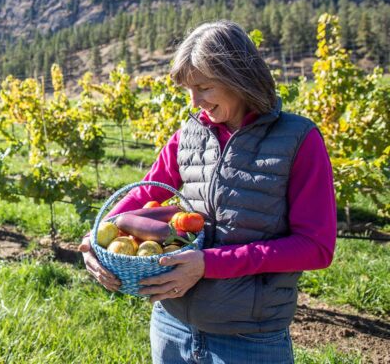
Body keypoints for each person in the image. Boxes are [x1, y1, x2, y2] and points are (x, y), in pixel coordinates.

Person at [78, 20, 337, 364]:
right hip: (172, 325)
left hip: (248, 337)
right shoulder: (189, 135)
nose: (195, 101)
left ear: (237, 79)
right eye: (189, 89)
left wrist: (208, 264)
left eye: (203, 87)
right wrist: (94, 237)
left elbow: (316, 248)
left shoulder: (299, 140)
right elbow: (144, 193)